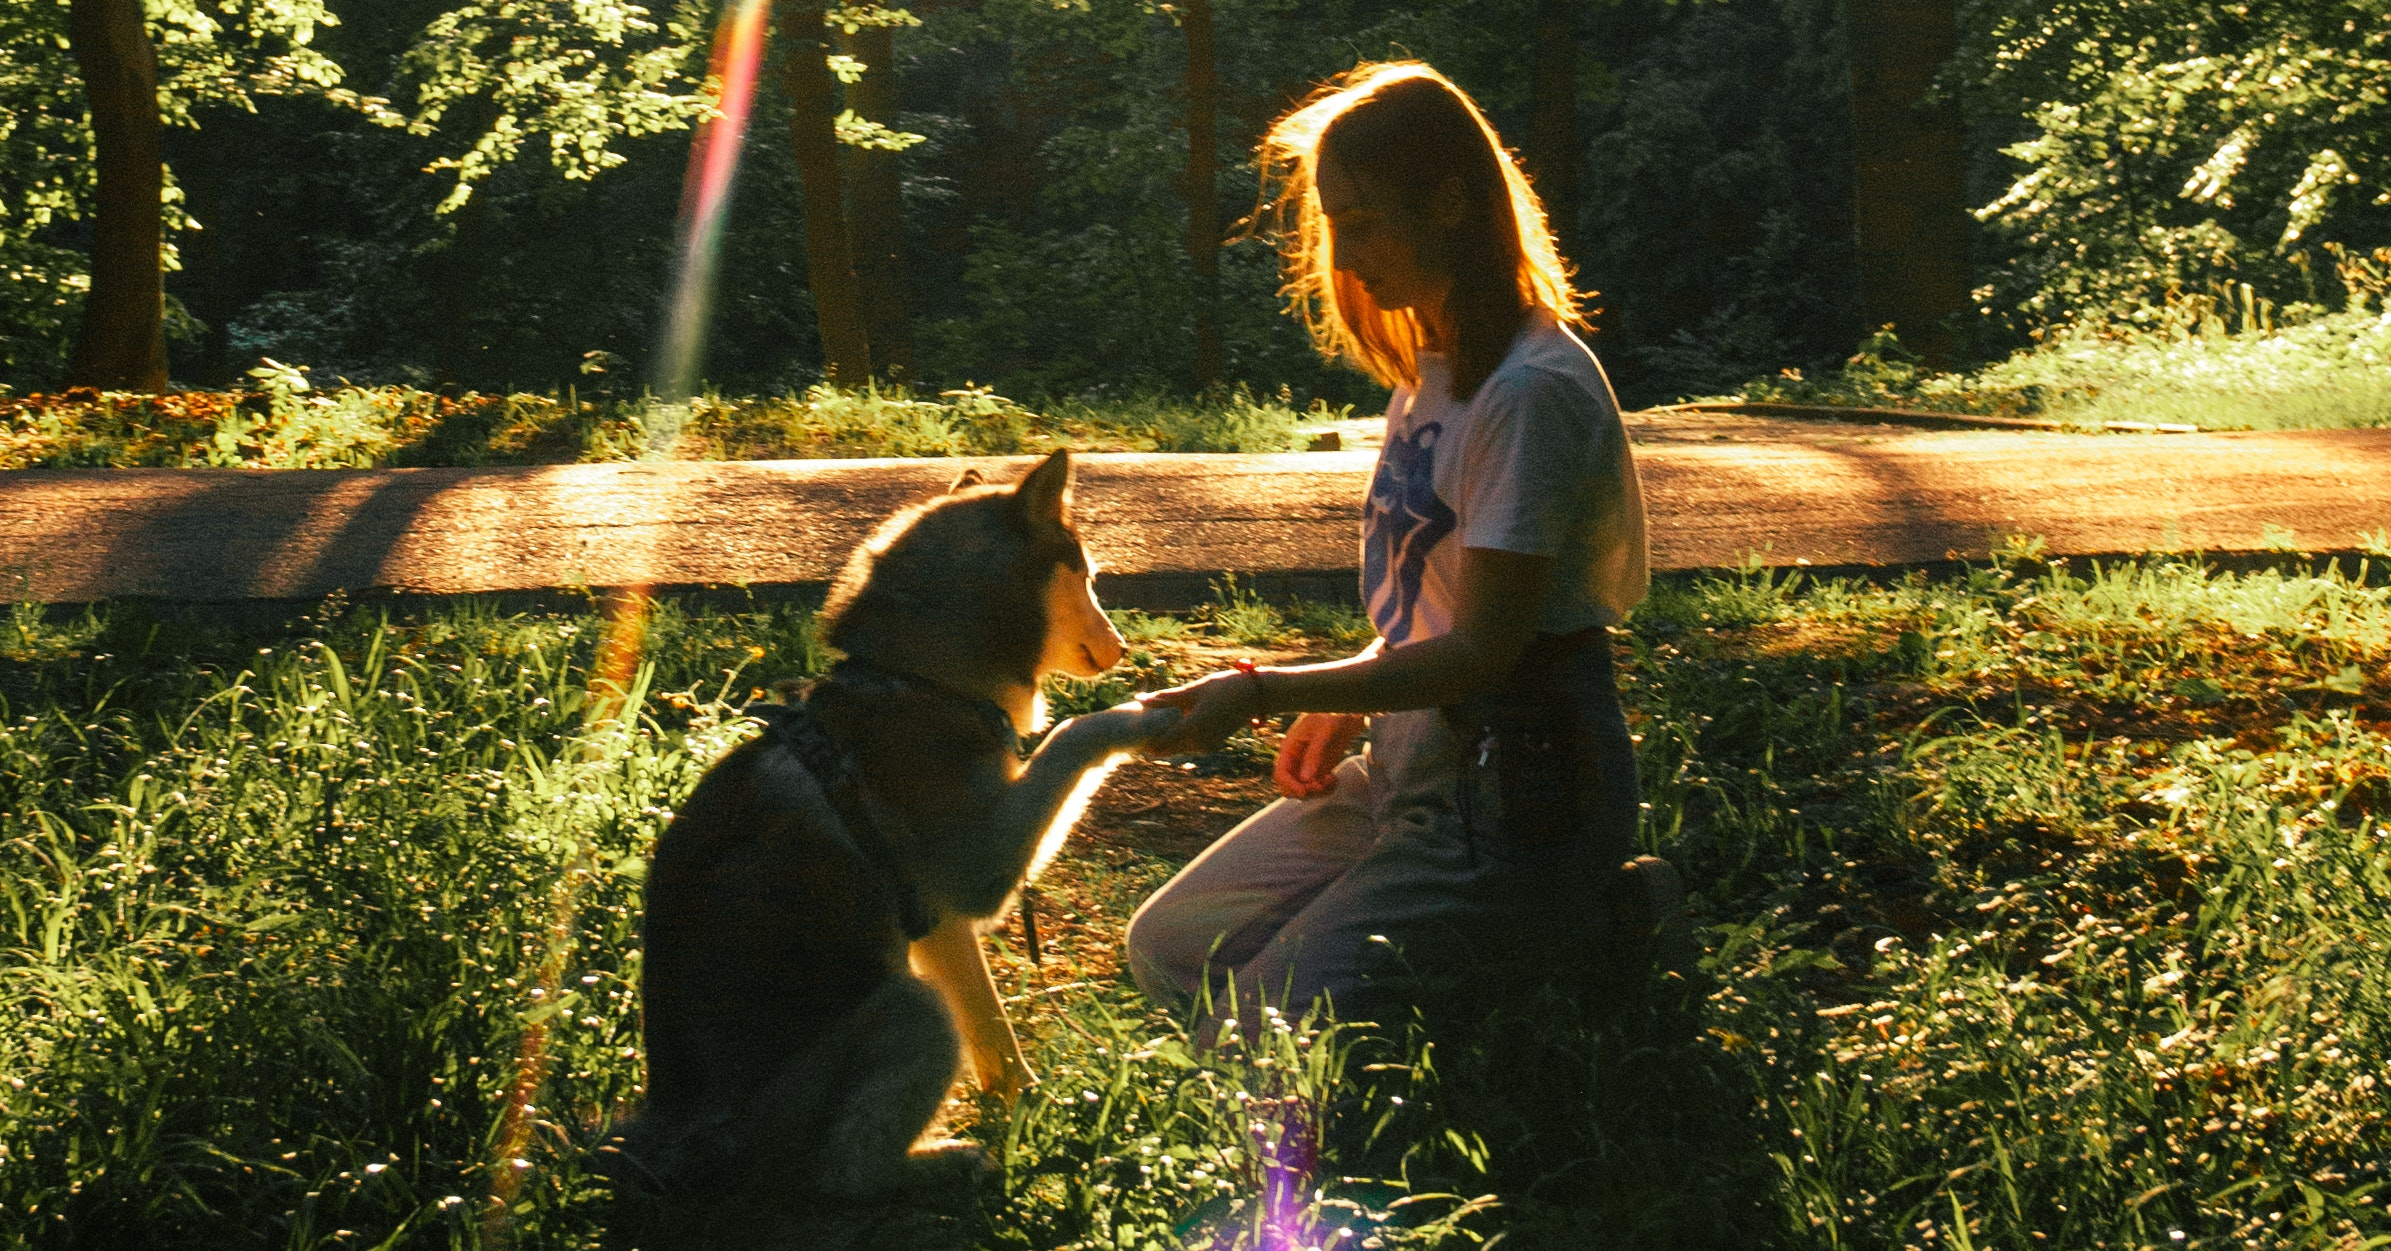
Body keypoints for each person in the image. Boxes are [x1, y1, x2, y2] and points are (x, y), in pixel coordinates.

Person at [1125, 61, 1676, 1040]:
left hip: (1515, 784)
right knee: (1169, 948)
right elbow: (1433, 608)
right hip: (1408, 766)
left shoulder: (1527, 391)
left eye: (1365, 219)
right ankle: (1529, 942)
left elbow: (1487, 651)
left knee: (1261, 1033)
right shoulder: (1435, 374)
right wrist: (1351, 701)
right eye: (1334, 221)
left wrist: (1267, 691)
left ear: (1452, 202)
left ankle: (1590, 920)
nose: (1344, 253)